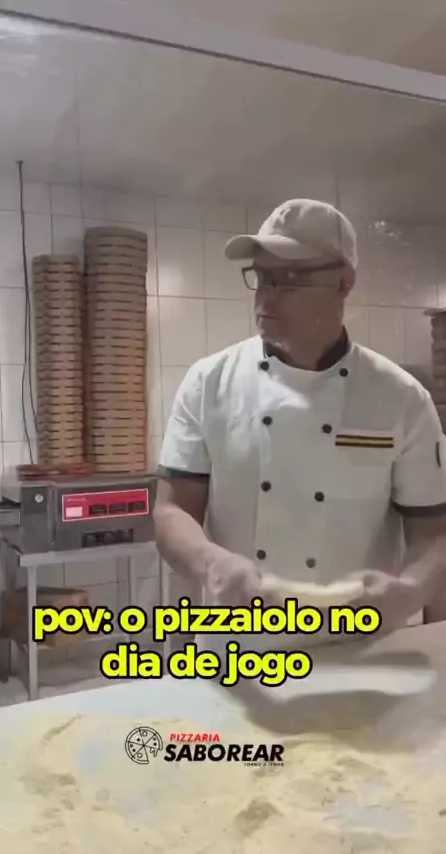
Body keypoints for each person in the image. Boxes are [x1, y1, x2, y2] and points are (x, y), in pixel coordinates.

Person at [153, 198, 446, 633]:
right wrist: (209, 562)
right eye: (261, 277)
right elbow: (172, 510)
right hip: (241, 645)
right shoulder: (209, 382)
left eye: (289, 280)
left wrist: (412, 589)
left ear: (343, 282)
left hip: (359, 644)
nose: (266, 298)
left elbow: (433, 533)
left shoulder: (401, 398)